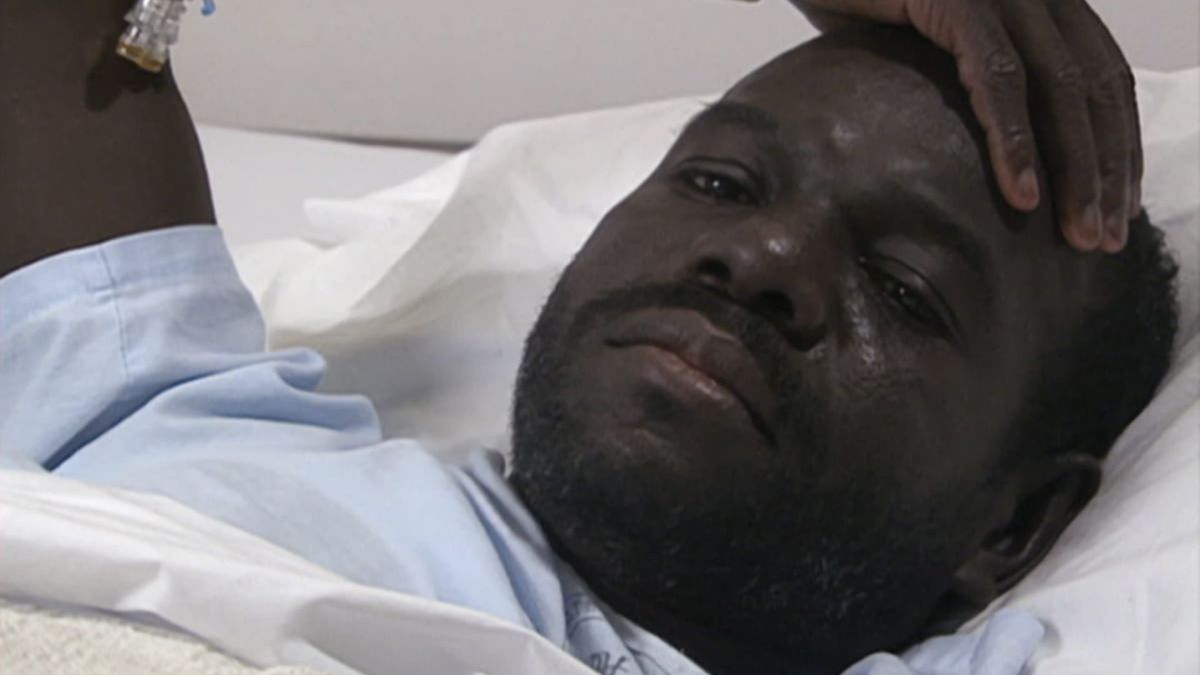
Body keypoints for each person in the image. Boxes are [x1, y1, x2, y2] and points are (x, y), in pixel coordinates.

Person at [0, 2, 1178, 675]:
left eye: (908, 291)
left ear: (1013, 526)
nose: (760, 261)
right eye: (720, 180)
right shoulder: (166, 396)